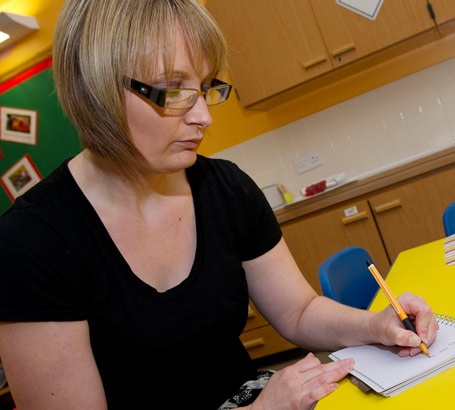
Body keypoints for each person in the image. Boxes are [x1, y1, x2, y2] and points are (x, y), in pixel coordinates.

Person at [0, 0, 438, 409]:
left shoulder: (225, 188)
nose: (204, 117)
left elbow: (299, 311)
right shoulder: (31, 242)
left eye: (206, 88)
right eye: (173, 90)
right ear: (96, 92)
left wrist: (375, 325)